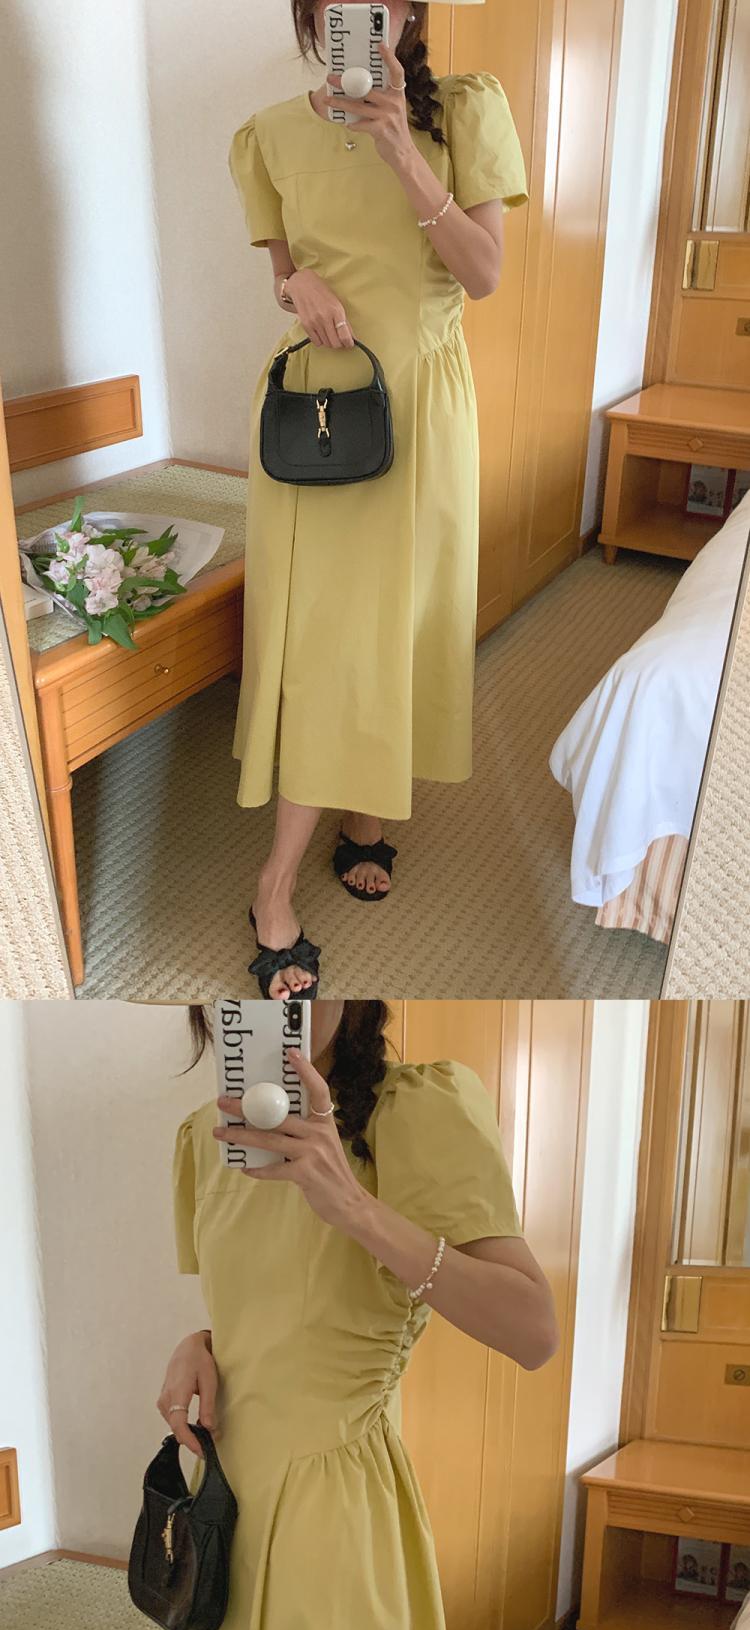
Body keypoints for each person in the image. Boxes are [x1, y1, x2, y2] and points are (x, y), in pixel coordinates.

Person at [130, 1003, 558, 1630]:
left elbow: (533, 1329)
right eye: (242, 984)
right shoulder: (202, 1135)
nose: (277, 999)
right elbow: (277, 1303)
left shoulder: (416, 1110)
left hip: (337, 1524)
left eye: (304, 980)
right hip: (223, 1516)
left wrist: (354, 1204)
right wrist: (200, 1344)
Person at [229, 1, 528, 989]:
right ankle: (275, 882)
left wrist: (401, 147)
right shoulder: (269, 134)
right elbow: (283, 274)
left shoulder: (466, 111)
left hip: (424, 406)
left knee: (401, 620)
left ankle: (367, 811)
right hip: (319, 409)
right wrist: (298, 289)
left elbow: (484, 274)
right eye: (337, 4)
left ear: (409, 14)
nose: (362, 16)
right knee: (321, 643)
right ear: (311, 17)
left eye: (384, 2)